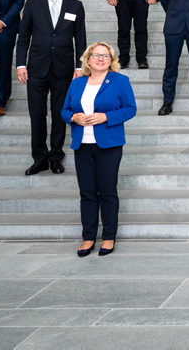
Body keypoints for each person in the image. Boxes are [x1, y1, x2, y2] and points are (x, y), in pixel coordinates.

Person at [61, 41, 136, 257]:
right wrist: (73, 116)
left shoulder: (120, 81)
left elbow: (130, 109)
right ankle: (88, 237)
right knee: (87, 192)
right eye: (96, 55)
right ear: (88, 59)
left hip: (109, 144)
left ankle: (109, 236)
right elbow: (64, 109)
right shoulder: (77, 83)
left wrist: (106, 117)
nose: (101, 58)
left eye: (106, 56)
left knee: (107, 191)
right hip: (82, 144)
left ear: (111, 61)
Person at [16, 0, 86, 175]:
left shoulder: (75, 5)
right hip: (36, 69)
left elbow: (80, 40)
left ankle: (56, 156)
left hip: (63, 70)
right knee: (37, 114)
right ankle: (40, 159)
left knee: (59, 114)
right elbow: (23, 37)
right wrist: (21, 64)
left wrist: (79, 67)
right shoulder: (32, 4)